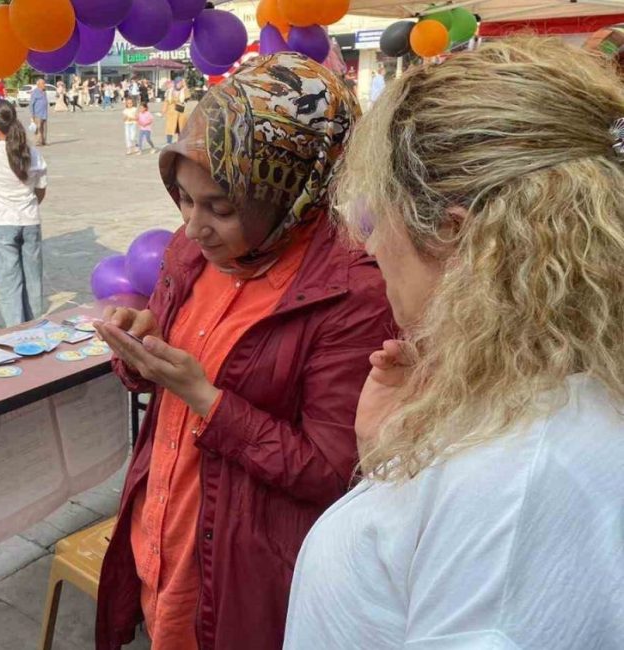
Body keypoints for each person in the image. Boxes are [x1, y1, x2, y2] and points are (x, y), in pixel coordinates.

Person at [285, 37, 624, 649]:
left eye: (374, 216)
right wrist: (393, 460)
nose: (368, 246)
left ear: (453, 235)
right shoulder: (552, 405)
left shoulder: (513, 484)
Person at [93, 52, 392, 650]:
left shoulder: (351, 292)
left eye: (221, 209)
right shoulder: (189, 251)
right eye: (183, 198)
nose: (194, 226)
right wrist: (137, 346)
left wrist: (205, 396)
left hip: (242, 570)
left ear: (293, 191)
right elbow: (158, 382)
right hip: (163, 533)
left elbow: (333, 472)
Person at [0, 100, 48, 327]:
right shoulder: (33, 153)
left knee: (9, 282)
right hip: (30, 221)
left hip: (1, 223)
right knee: (33, 281)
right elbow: (40, 191)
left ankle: (16, 331)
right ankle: (34, 327)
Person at [163, 78, 189, 145]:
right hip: (171, 112)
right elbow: (166, 101)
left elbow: (188, 97)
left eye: (181, 83)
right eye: (178, 83)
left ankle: (180, 142)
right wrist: (163, 111)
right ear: (175, 83)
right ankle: (169, 142)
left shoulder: (184, 91)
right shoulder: (170, 91)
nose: (179, 84)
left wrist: (185, 86)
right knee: (170, 128)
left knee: (181, 128)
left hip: (181, 113)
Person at [30, 78, 49, 146]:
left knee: (44, 128)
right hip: (37, 114)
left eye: (44, 83)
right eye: (43, 83)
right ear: (38, 84)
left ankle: (43, 141)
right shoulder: (35, 92)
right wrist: (32, 115)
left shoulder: (44, 91)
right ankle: (38, 141)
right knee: (38, 128)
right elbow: (31, 104)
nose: (44, 85)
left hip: (44, 113)